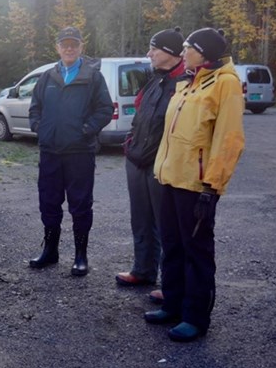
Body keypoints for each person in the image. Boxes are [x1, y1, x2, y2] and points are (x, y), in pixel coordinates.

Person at [144, 28, 244, 342]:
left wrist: (211, 188)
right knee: (172, 246)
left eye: (189, 47)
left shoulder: (225, 83)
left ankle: (196, 317)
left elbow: (229, 140)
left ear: (204, 52)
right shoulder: (188, 81)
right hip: (171, 178)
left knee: (196, 252)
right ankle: (172, 304)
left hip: (196, 185)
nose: (183, 51)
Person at [27, 27, 113, 276]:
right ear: (57, 47)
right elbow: (35, 108)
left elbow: (105, 110)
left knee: (80, 205)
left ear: (81, 47)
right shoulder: (47, 77)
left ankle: (80, 255)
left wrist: (86, 129)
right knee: (49, 203)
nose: (69, 49)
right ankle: (50, 251)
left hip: (79, 153)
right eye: (64, 45)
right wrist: (39, 128)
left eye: (73, 45)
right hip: (50, 151)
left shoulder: (92, 77)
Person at [116, 28, 185, 288]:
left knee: (167, 226)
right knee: (141, 219)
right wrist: (130, 144)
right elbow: (140, 113)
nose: (149, 54)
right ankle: (143, 270)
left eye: (153, 49)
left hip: (163, 164)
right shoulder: (154, 79)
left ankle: (172, 287)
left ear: (169, 52)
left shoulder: (186, 83)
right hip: (137, 160)